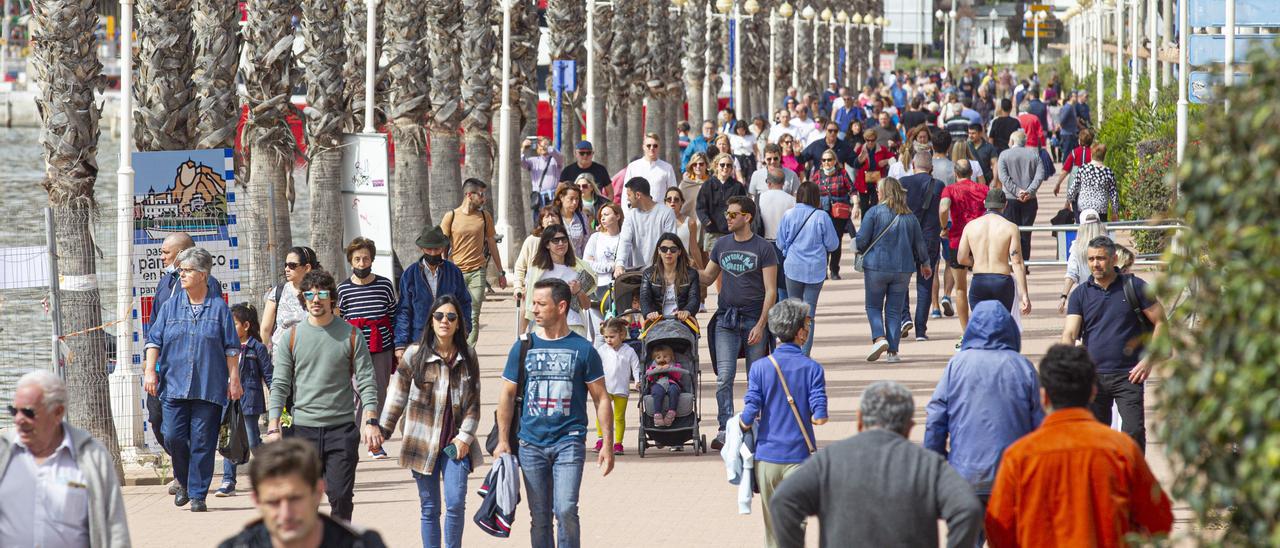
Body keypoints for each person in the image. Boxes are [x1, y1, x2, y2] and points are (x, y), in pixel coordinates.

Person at [985, 345, 1173, 546]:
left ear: (1044, 397)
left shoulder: (1019, 457)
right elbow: (1159, 521)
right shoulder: (1121, 450)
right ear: (1093, 392)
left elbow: (999, 528)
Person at [767, 381, 984, 548]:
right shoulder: (928, 465)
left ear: (860, 420)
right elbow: (967, 508)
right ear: (909, 426)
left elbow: (783, 501)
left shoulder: (830, 461)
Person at [493, 278, 615, 548]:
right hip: (530, 443)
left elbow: (601, 398)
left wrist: (608, 443)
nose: (534, 310)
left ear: (561, 306)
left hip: (569, 442)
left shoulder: (583, 348)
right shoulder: (523, 346)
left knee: (566, 509)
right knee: (540, 517)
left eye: (540, 304)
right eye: (532, 303)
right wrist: (503, 440)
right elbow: (507, 395)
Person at [266, 271, 382, 522]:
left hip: (340, 429)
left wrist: (371, 420)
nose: (315, 299)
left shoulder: (351, 335)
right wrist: (273, 426)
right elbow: (280, 383)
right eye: (309, 294)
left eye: (322, 293)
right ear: (303, 300)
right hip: (303, 430)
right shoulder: (292, 337)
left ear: (332, 299)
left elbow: (366, 380)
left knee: (340, 496)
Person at [374, 295, 481, 548]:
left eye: (451, 317)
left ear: (458, 324)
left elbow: (474, 403)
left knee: (455, 502)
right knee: (430, 507)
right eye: (439, 316)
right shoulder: (414, 354)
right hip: (421, 441)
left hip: (455, 444)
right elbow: (397, 395)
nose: (445, 321)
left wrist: (465, 437)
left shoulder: (468, 356)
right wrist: (382, 431)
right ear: (431, 321)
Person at [143, 247, 242, 512]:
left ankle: (198, 494)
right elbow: (154, 340)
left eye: (186, 271)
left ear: (202, 274)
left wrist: (234, 379)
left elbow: (232, 348)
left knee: (203, 441)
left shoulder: (219, 309)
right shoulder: (170, 307)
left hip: (208, 386)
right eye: (180, 271)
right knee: (174, 436)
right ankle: (184, 482)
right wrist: (150, 371)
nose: (181, 275)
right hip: (174, 385)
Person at [925, 301, 1043, 522]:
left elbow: (935, 417)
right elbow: (1039, 423)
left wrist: (937, 465)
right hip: (1012, 475)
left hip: (965, 471)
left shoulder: (957, 365)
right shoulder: (1022, 367)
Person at [0, 370, 131, 547]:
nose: (19, 420)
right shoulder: (4, 454)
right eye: (14, 411)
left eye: (28, 413)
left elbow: (114, 527)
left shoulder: (91, 456)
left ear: (58, 412)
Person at [738, 299, 829, 548]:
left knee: (772, 527)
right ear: (800, 332)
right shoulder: (812, 368)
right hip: (799, 457)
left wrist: (744, 425)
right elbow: (819, 412)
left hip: (766, 459)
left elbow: (750, 410)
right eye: (807, 324)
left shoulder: (760, 367)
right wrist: (817, 414)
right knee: (795, 525)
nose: (808, 328)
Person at [1061, 236, 1164, 451]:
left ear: (1114, 258)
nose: (1095, 264)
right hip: (1094, 377)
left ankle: (1133, 479)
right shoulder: (1080, 294)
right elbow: (1070, 333)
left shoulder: (1134, 286)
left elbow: (1161, 322)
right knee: (1096, 437)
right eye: (1091, 259)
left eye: (1101, 258)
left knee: (1134, 431)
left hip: (1129, 375)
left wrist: (1149, 360)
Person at [700, 196, 779, 449]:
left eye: (733, 214)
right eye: (727, 213)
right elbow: (707, 277)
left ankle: (753, 424)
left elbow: (771, 291)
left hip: (754, 318)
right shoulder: (721, 244)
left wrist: (761, 324)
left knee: (756, 377)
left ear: (747, 217)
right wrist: (687, 256)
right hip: (726, 319)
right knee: (724, 376)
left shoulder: (763, 248)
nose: (728, 218)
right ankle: (725, 427)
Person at [144, 231, 222, 487]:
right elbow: (155, 323)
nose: (162, 256)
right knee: (158, 419)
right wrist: (150, 361)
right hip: (163, 366)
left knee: (197, 428)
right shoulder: (165, 283)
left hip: (194, 369)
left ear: (180, 254)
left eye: (166, 252)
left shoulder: (209, 285)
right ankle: (182, 465)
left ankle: (189, 480)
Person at [218, 439, 387, 548]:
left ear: (318, 493)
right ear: (257, 501)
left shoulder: (362, 543)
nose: (286, 514)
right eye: (273, 502)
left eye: (295, 498)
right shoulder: (237, 545)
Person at [855, 178, 932, 363]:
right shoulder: (910, 216)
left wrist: (857, 244)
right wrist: (925, 263)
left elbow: (862, 241)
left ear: (883, 192)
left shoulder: (873, 212)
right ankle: (893, 351)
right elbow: (920, 244)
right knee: (894, 310)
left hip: (876, 266)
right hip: (902, 268)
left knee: (873, 306)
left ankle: (879, 338)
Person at [335, 238, 397, 456]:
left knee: (379, 391)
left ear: (372, 260)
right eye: (357, 259)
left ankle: (375, 442)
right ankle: (349, 442)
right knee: (354, 393)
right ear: (351, 261)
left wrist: (397, 345)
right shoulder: (342, 289)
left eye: (366, 259)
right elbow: (339, 320)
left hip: (382, 346)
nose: (362, 263)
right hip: (353, 349)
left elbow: (392, 315)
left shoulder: (385, 285)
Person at [439, 179, 509, 346]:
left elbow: (492, 244)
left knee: (473, 313)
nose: (484, 199)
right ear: (469, 195)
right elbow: (442, 243)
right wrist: (443, 267)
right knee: (454, 312)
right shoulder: (452, 216)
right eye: (481, 195)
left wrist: (501, 272)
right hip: (456, 272)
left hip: (478, 270)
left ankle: (468, 352)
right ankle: (455, 347)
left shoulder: (485, 217)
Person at [216, 303, 274, 496]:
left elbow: (268, 375)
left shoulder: (256, 348)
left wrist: (277, 400)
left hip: (249, 401)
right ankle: (228, 481)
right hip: (228, 401)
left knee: (252, 440)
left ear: (246, 326)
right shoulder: (223, 347)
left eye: (234, 324)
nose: (230, 329)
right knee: (228, 438)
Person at [777, 183, 838, 356]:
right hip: (815, 269)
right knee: (809, 315)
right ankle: (805, 353)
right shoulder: (822, 216)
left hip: (793, 267)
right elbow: (833, 244)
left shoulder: (788, 215)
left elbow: (780, 242)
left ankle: (792, 351)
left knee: (795, 312)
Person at [395, 226, 474, 360]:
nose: (432, 253)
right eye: (429, 249)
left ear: (443, 248)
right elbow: (404, 310)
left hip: (449, 339)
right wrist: (400, 344)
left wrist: (464, 330)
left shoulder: (454, 272)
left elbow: (464, 303)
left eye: (436, 249)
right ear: (422, 249)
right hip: (418, 339)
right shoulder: (409, 275)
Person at [956, 188, 1032, 315]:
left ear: (985, 203)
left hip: (979, 280)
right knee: (1000, 323)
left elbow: (961, 258)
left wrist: (976, 261)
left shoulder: (970, 226)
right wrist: (1024, 294)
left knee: (981, 324)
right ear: (1005, 205)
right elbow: (1017, 262)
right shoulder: (1011, 227)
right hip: (1002, 281)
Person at [897, 152, 945, 341]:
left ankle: (904, 317)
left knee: (901, 281)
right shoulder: (938, 185)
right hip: (929, 239)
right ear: (931, 167)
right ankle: (920, 330)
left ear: (913, 165)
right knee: (925, 283)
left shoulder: (902, 182)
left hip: (905, 237)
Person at [522, 224, 597, 338]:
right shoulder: (537, 271)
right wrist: (521, 336)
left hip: (573, 327)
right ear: (547, 244)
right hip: (544, 329)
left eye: (564, 240)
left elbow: (586, 306)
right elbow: (527, 307)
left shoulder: (579, 268)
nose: (561, 244)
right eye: (556, 241)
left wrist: (579, 292)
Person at [938, 161, 988, 331]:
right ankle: (983, 324)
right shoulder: (983, 189)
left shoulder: (949, 189)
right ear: (971, 172)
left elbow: (944, 208)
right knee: (983, 283)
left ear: (955, 172)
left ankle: (966, 330)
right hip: (980, 239)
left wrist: (944, 227)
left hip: (958, 240)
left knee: (960, 288)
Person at [996, 130, 1045, 261]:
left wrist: (1017, 191)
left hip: (1010, 199)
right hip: (1030, 200)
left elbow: (1003, 178)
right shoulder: (1034, 155)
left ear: (1012, 141)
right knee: (1026, 233)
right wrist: (1029, 191)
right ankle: (1025, 262)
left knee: (1010, 232)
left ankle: (1013, 261)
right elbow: (1040, 176)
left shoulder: (1004, 155)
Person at [593, 318, 640, 452]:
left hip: (621, 388)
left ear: (622, 335)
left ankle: (618, 443)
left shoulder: (629, 351)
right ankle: (601, 439)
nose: (608, 340)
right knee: (601, 414)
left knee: (619, 417)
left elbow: (636, 367)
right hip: (605, 388)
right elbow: (595, 366)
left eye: (612, 337)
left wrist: (637, 380)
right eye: (606, 337)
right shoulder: (602, 350)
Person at [613, 177, 678, 274]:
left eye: (629, 195)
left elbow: (670, 243)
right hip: (640, 274)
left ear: (638, 195)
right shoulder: (631, 215)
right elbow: (624, 242)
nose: (627, 198)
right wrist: (619, 264)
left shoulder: (667, 213)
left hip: (663, 271)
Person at [261, 246, 318, 352]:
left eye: (292, 265)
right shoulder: (278, 291)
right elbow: (265, 329)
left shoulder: (321, 294)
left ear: (307, 268)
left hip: (311, 358)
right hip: (280, 360)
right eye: (286, 265)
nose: (286, 269)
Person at [810, 150, 855, 280]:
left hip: (838, 213)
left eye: (829, 159)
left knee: (836, 242)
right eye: (824, 160)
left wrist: (856, 205)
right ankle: (822, 271)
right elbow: (811, 192)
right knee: (822, 243)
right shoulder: (817, 175)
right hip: (822, 213)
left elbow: (852, 190)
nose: (826, 162)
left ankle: (834, 270)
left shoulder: (842, 173)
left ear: (835, 161)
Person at [639, 232, 701, 323]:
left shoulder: (691, 274)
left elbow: (694, 299)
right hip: (657, 322)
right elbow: (644, 298)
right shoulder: (648, 274)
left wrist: (687, 311)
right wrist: (649, 313)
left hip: (682, 322)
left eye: (673, 249)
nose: (668, 252)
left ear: (679, 252)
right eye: (664, 249)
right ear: (659, 251)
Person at [696, 152, 748, 254]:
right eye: (722, 165)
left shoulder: (738, 187)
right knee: (714, 267)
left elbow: (744, 208)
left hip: (732, 233)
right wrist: (707, 222)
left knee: (730, 265)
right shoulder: (707, 185)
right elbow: (700, 207)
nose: (725, 167)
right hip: (712, 232)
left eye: (729, 165)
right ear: (716, 166)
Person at [1059, 208, 1108, 314]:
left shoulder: (1077, 249)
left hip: (1087, 296)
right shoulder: (1109, 246)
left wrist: (1064, 296)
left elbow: (1072, 274)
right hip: (1109, 294)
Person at [622, 133, 679, 210]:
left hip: (659, 214)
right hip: (637, 214)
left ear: (659, 147)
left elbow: (673, 193)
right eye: (648, 145)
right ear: (643, 147)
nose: (652, 148)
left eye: (655, 146)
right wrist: (627, 215)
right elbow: (626, 193)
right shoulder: (633, 166)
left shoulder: (667, 168)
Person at [1067, 143, 1120, 222]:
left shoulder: (1083, 169)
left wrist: (1069, 201)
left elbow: (1074, 187)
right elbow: (1113, 194)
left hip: (1084, 207)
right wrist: (1114, 212)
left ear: (1091, 154)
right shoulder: (1108, 172)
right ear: (1104, 156)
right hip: (1101, 208)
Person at [583, 202, 624, 301]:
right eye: (601, 215)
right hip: (599, 288)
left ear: (617, 216)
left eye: (606, 215)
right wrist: (611, 266)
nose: (602, 218)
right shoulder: (596, 237)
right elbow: (587, 263)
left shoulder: (625, 238)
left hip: (621, 287)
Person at [854, 128, 894, 218]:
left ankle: (874, 228)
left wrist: (886, 161)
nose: (870, 143)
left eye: (872, 140)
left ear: (875, 139)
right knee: (864, 207)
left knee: (875, 206)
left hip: (877, 182)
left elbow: (893, 158)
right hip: (863, 182)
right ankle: (865, 228)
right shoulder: (860, 149)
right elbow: (855, 165)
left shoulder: (882, 149)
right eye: (868, 140)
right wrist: (860, 160)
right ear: (865, 140)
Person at [521, 137, 565, 218]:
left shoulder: (555, 160)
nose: (542, 147)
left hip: (553, 198)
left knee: (555, 220)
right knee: (538, 221)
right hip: (539, 199)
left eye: (546, 145)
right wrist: (523, 148)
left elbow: (559, 156)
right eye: (540, 145)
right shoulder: (533, 161)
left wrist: (547, 147)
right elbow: (521, 162)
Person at [645, 344, 686, 427]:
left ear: (671, 357)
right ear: (655, 359)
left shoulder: (675, 365)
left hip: (672, 383)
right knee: (657, 392)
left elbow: (678, 376)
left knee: (674, 390)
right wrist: (655, 370)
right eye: (658, 357)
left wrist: (670, 368)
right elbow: (648, 378)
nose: (662, 359)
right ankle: (657, 415)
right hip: (658, 383)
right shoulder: (652, 367)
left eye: (665, 356)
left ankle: (671, 412)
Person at [664, 187, 705, 267]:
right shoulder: (659, 222)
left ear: (682, 202)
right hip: (664, 267)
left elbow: (694, 249)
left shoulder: (690, 222)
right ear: (665, 202)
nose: (672, 201)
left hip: (683, 267)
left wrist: (701, 270)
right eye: (669, 199)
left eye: (676, 199)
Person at [758, 167, 797, 243]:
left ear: (768, 183)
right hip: (784, 243)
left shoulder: (759, 198)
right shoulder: (793, 200)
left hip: (764, 242)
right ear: (783, 183)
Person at [553, 184, 592, 256]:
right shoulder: (554, 218)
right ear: (561, 197)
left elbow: (586, 243)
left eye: (577, 199)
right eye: (571, 199)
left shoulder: (582, 217)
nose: (574, 202)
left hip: (578, 263)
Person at [678, 151, 710, 219]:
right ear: (691, 166)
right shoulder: (684, 184)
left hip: (707, 224)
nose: (698, 167)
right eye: (695, 164)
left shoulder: (712, 183)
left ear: (706, 165)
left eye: (701, 164)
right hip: (688, 223)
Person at [1057, 90, 1081, 158]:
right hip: (1067, 134)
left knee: (1071, 154)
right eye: (1075, 96)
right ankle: (1065, 167)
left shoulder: (1072, 106)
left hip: (1071, 133)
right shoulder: (1068, 107)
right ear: (1070, 97)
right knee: (1067, 154)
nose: (1076, 98)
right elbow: (1062, 120)